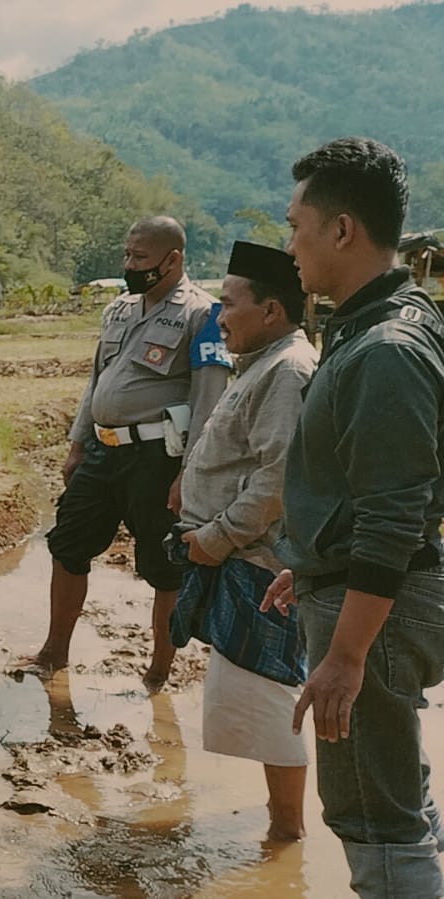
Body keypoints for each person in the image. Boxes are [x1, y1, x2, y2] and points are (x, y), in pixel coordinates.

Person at [262, 137, 444, 897]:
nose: (289, 243)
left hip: (375, 608)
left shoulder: (385, 347)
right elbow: (366, 483)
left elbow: (394, 510)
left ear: (340, 230)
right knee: (390, 791)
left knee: (373, 813)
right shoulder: (380, 325)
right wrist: (305, 558)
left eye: (295, 223)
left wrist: (343, 654)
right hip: (361, 593)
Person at [14, 216, 231, 690]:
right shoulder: (119, 310)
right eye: (126, 255)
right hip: (102, 450)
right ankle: (54, 652)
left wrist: (187, 475)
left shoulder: (203, 315)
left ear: (173, 259)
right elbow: (97, 380)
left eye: (140, 258)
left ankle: (158, 671)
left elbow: (208, 400)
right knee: (68, 544)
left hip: (157, 459)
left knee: (163, 566)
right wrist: (77, 443)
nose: (129, 265)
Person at [173, 241, 316, 843]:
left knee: (271, 705)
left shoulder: (287, 369)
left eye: (229, 304)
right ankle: (282, 831)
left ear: (272, 310)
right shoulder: (260, 360)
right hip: (234, 554)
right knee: (255, 701)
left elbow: (278, 478)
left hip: (256, 563)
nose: (218, 316)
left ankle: (288, 837)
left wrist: (217, 535)